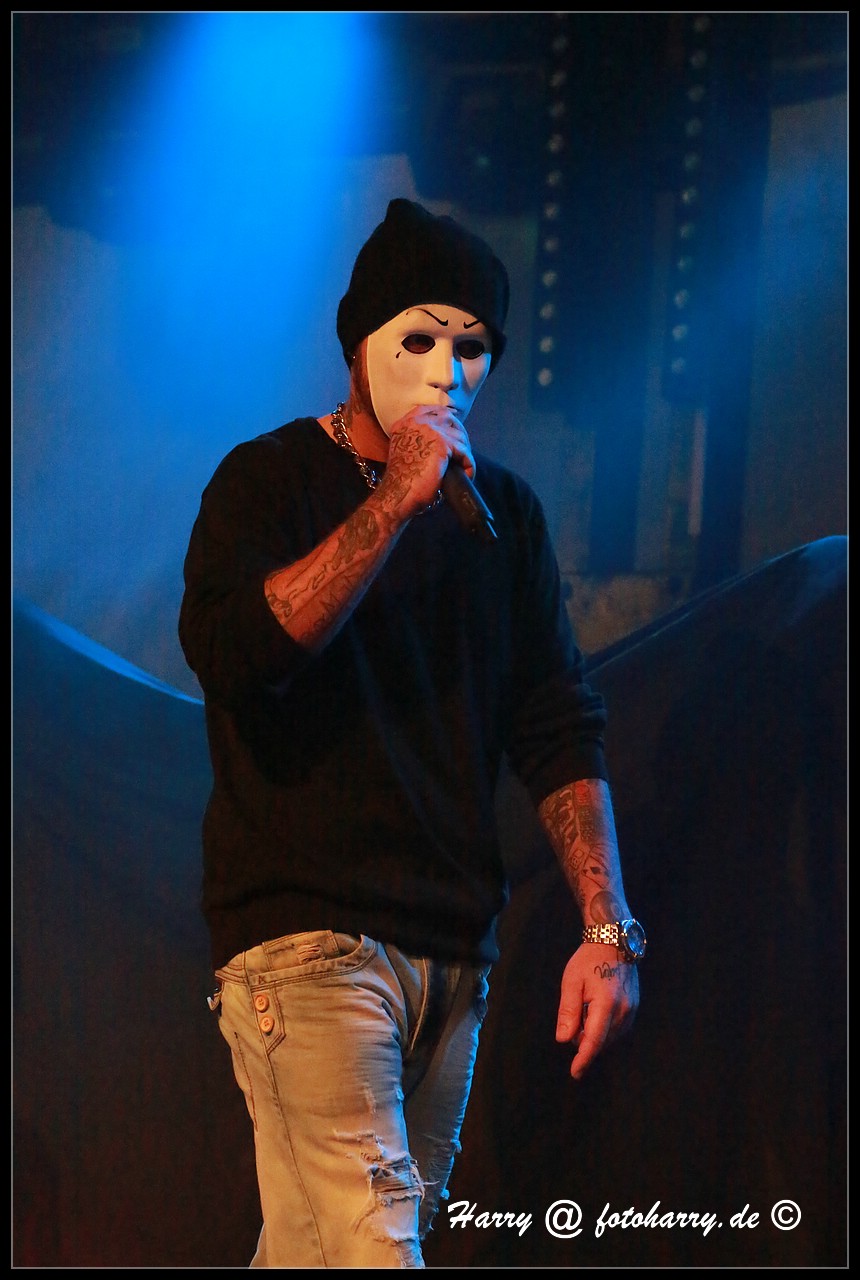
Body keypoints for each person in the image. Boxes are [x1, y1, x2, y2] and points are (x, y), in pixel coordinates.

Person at [178, 196, 644, 1269]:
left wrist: (606, 927)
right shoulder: (266, 479)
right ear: (358, 344)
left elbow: (556, 722)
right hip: (309, 945)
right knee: (375, 1250)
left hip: (450, 953)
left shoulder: (506, 520)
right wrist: (393, 500)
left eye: (472, 348)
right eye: (420, 339)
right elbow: (238, 652)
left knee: (321, 1250)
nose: (446, 373)